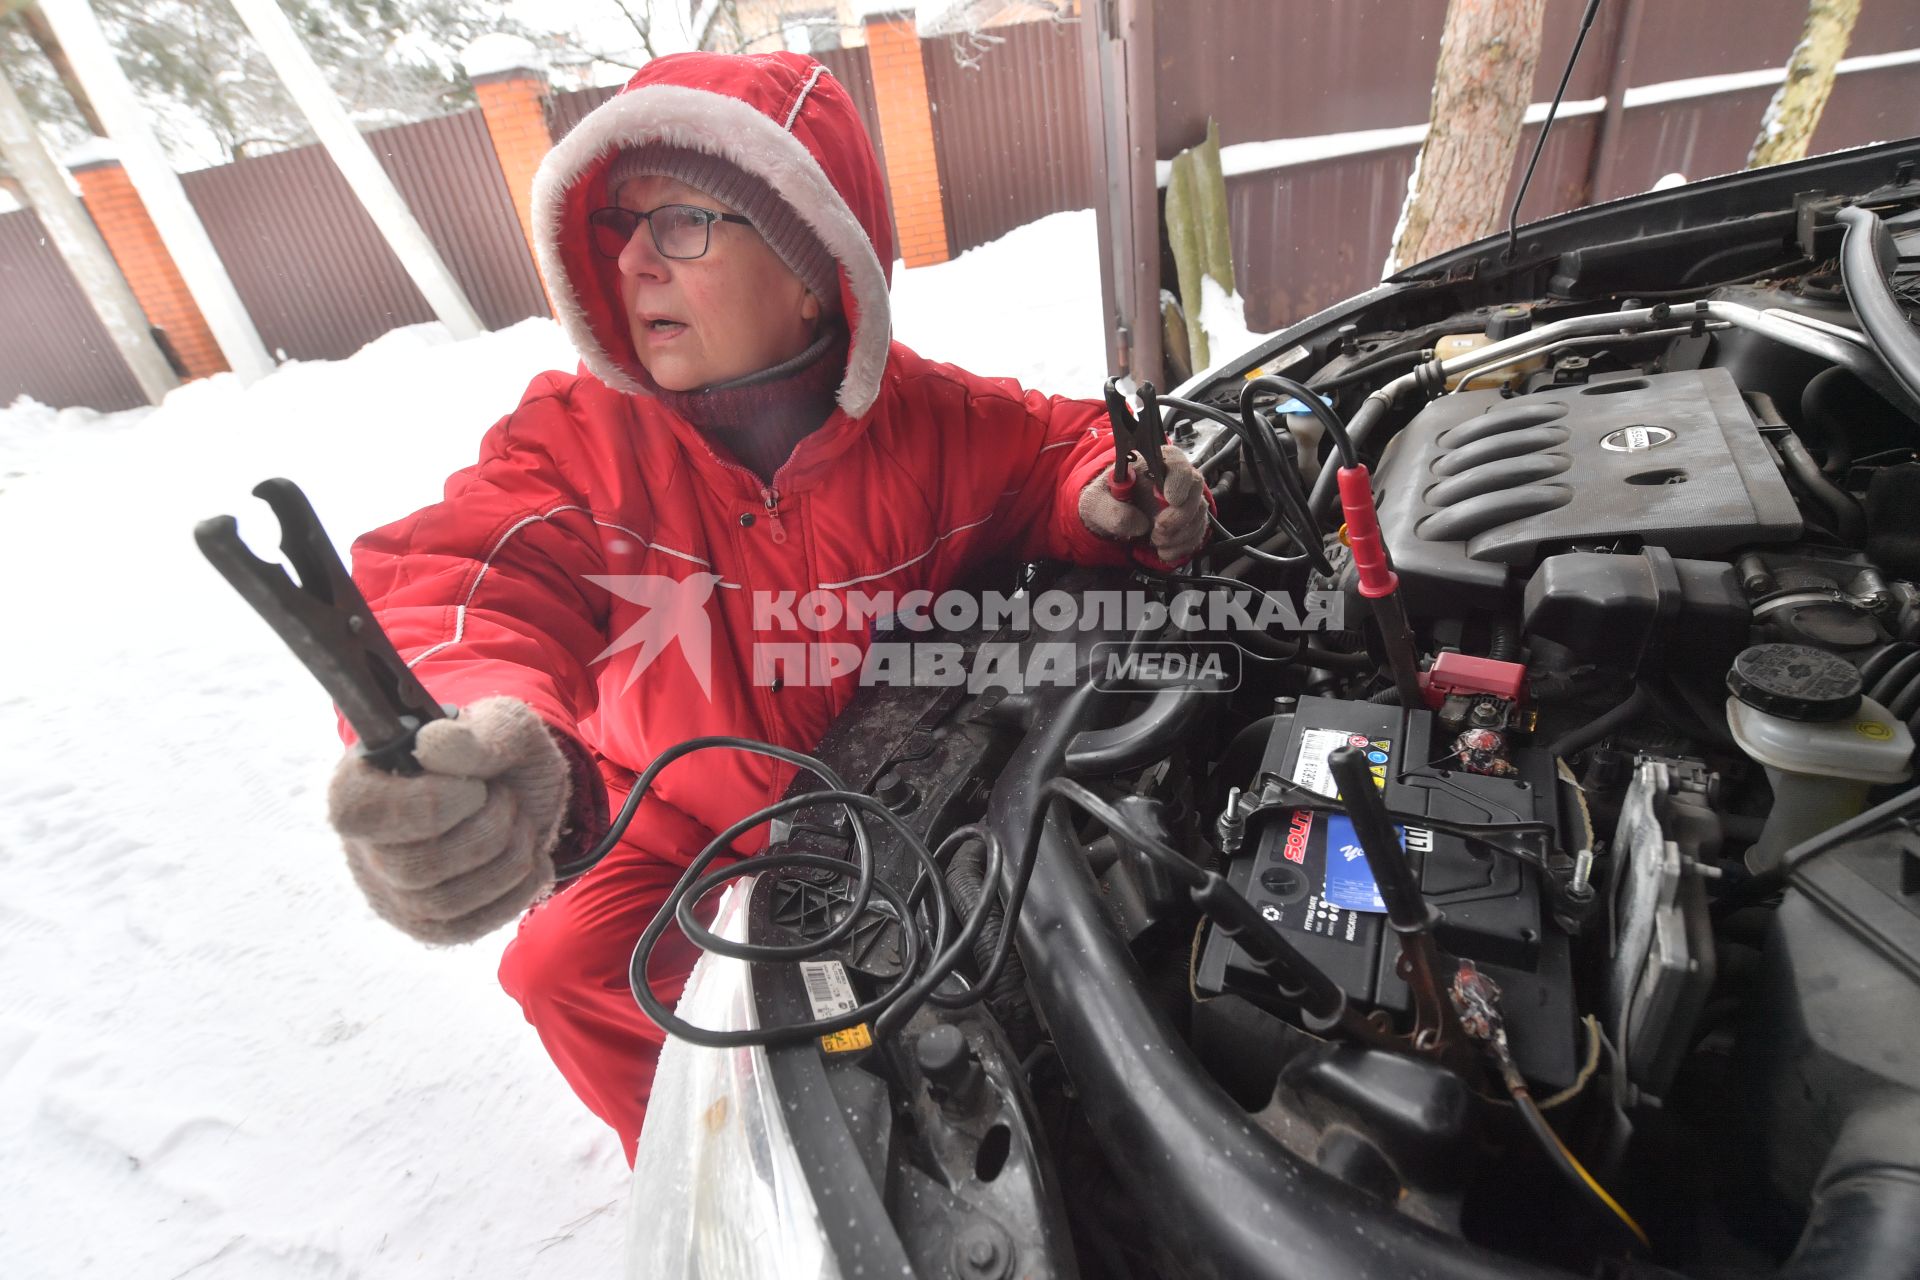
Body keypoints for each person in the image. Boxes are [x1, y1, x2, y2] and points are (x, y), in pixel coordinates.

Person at [324, 50, 1208, 1164]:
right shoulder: (579, 442)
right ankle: (734, 1178)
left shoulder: (933, 423)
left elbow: (1058, 454)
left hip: (881, 805)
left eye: (683, 222)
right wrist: (463, 717)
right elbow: (466, 575)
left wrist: (1116, 492)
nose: (637, 259)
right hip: (668, 813)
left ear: (811, 266)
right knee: (561, 966)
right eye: (622, 224)